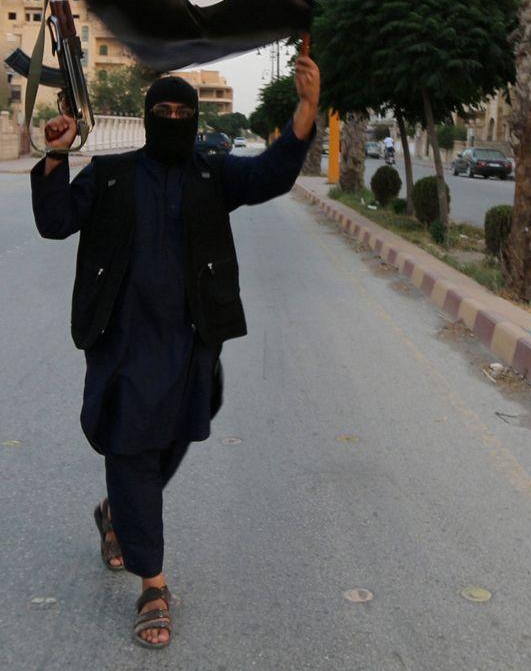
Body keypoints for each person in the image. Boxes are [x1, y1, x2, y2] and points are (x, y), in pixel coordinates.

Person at [31, 55, 321, 649]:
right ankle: (154, 584)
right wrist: (56, 156)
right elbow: (55, 221)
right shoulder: (110, 176)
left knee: (180, 431)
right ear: (146, 118)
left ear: (192, 120)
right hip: (122, 343)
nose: (171, 119)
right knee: (132, 445)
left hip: (192, 342)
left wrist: (307, 110)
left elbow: (271, 173)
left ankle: (118, 512)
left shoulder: (212, 174)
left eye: (181, 112)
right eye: (161, 112)